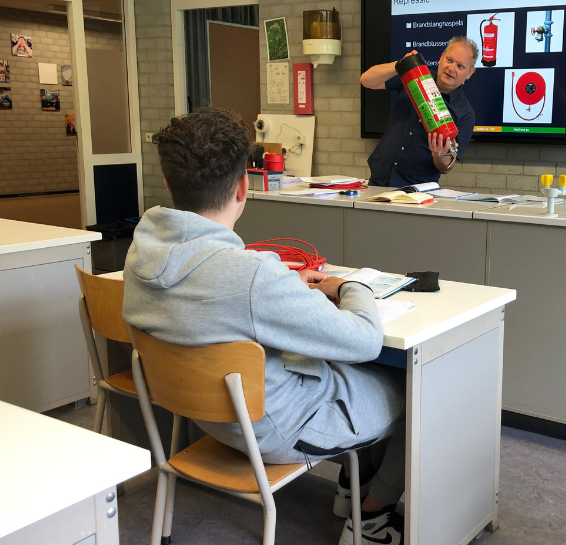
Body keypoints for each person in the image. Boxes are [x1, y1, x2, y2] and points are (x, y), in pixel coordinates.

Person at [122, 108, 406, 545]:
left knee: (352, 375)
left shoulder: (140, 253)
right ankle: (371, 516)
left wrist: (282, 287)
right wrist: (352, 286)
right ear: (243, 187)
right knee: (421, 386)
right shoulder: (252, 275)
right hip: (278, 429)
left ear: (169, 183)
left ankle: (351, 488)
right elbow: (365, 341)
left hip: (212, 420)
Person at [361, 36, 477, 187]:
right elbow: (366, 80)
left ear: (469, 73)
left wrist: (439, 155)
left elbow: (447, 167)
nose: (451, 68)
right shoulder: (415, 78)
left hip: (417, 191)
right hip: (379, 181)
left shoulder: (465, 113)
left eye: (460, 66)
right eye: (449, 60)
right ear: (441, 58)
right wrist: (401, 65)